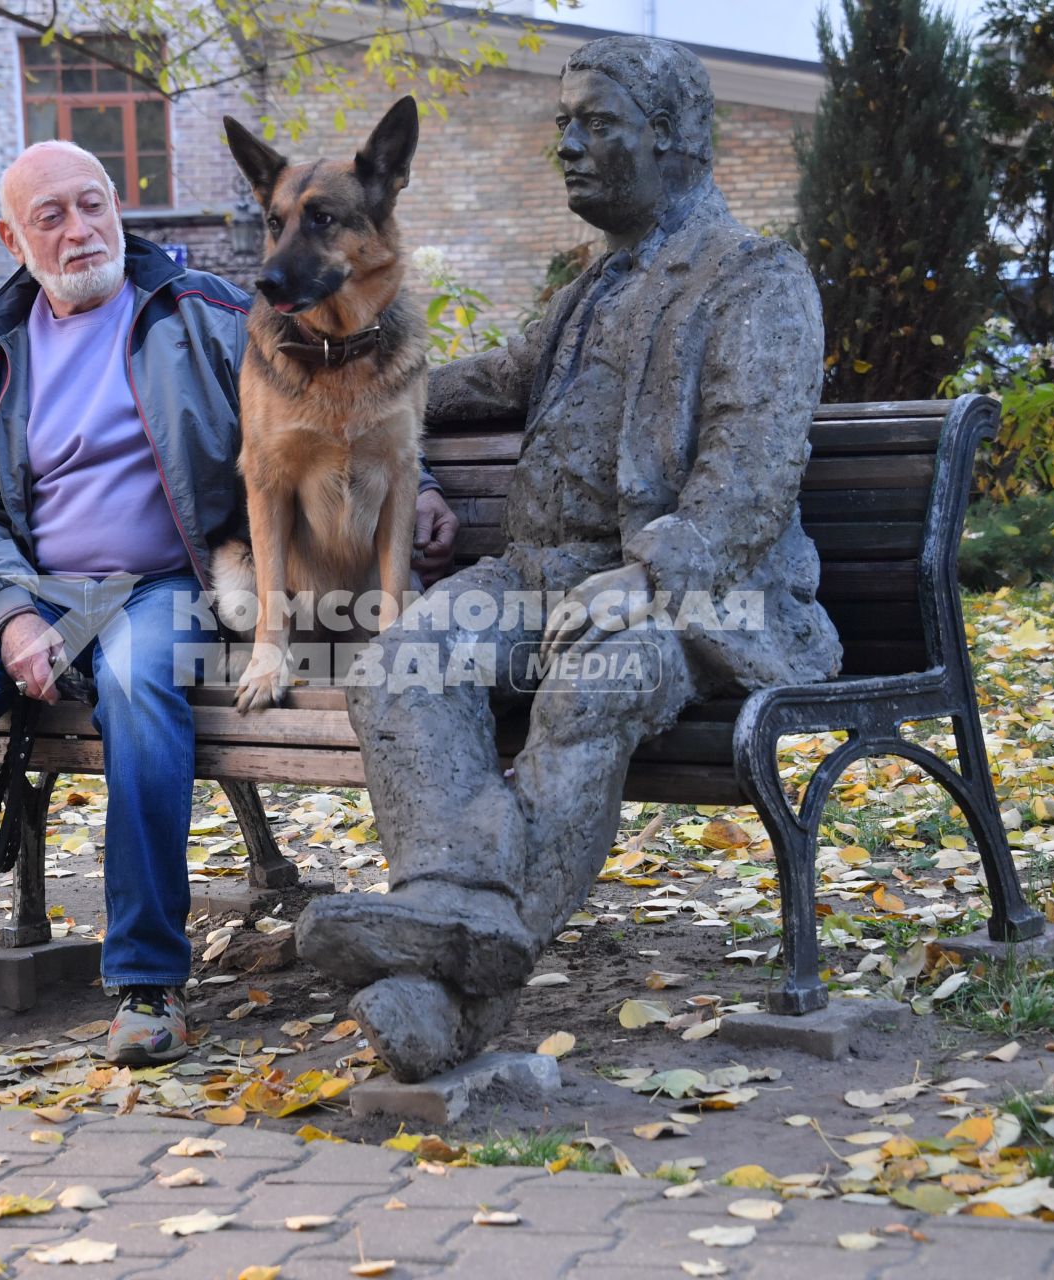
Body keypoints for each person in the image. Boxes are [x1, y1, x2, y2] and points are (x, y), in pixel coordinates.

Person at [0, 140, 459, 1063]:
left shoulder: (206, 312)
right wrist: (13, 614)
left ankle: (148, 980)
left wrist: (422, 492)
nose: (79, 230)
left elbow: (363, 378)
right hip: (37, 593)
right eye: (51, 216)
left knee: (144, 685)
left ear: (118, 209)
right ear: (12, 237)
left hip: (166, 583)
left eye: (93, 204)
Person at [295, 36, 843, 1080]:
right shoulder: (593, 284)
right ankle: (452, 922)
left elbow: (752, 471)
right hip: (538, 578)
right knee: (400, 663)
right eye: (562, 128)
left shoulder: (755, 280)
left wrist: (645, 577)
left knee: (594, 684)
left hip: (685, 594)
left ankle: (445, 986)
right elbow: (505, 375)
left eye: (594, 125)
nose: (569, 148)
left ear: (675, 136)